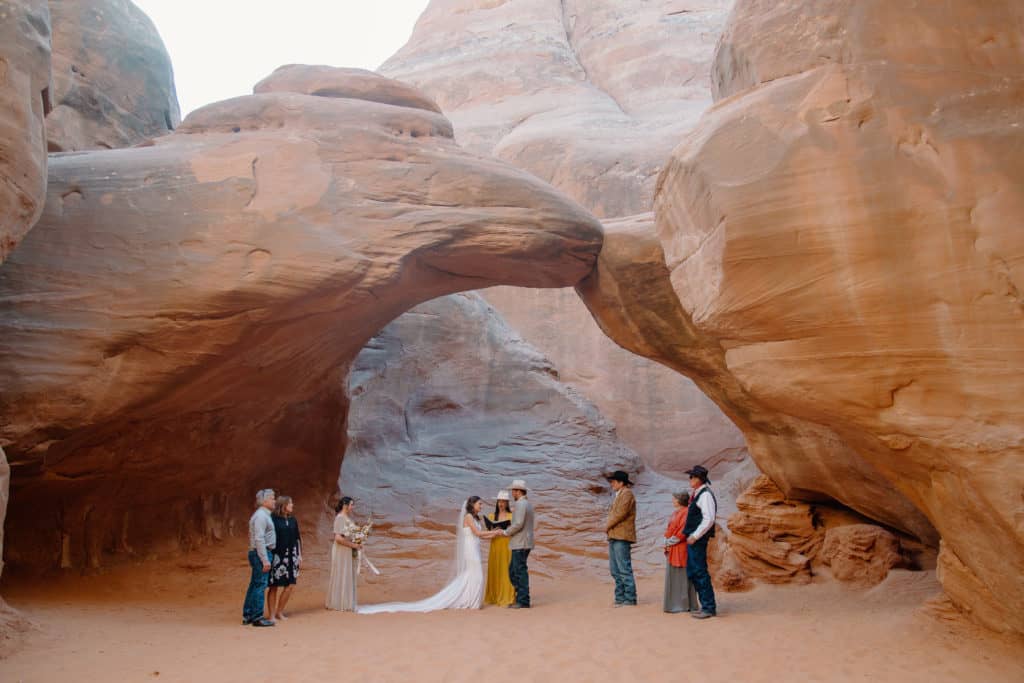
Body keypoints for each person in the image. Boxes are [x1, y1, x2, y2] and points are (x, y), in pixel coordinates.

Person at [358, 496, 502, 613]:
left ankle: (470, 601)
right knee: (476, 574)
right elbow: (477, 533)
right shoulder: (469, 517)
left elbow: (481, 536)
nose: (481, 506)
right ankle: (469, 601)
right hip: (470, 550)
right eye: (479, 504)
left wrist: (495, 535)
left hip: (474, 548)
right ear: (472, 504)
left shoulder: (476, 519)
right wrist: (494, 532)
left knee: (473, 574)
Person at [684, 465, 718, 619]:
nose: (690, 479)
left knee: (699, 571)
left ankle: (709, 607)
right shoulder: (698, 494)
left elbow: (709, 519)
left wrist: (695, 535)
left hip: (697, 540)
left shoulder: (705, 495)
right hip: (693, 539)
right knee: (694, 571)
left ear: (699, 479)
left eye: (692, 477)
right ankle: (705, 605)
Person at [243, 488, 277, 627]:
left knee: (255, 584)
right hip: (260, 553)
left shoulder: (262, 515)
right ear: (264, 501)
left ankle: (249, 614)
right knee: (260, 584)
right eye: (272, 498)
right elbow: (259, 539)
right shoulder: (261, 516)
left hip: (258, 552)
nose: (274, 501)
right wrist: (264, 559)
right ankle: (257, 616)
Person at [605, 470, 638, 607]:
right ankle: (620, 598)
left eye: (613, 482)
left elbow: (620, 514)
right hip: (615, 535)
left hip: (622, 536)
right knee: (615, 569)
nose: (611, 484)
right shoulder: (620, 494)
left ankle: (629, 598)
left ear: (621, 482)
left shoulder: (627, 494)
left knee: (623, 568)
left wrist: (606, 525)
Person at [267, 495, 302, 621]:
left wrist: (299, 555)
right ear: (283, 505)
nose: (292, 505)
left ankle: (279, 612)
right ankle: (271, 615)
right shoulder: (273, 519)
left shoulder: (293, 520)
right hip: (277, 556)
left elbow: (298, 538)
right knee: (274, 585)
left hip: (292, 556)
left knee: (290, 584)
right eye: (290, 503)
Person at [663, 491, 698, 613]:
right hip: (673, 547)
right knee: (674, 576)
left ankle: (682, 605)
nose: (672, 500)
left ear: (679, 500)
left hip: (681, 548)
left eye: (674, 498)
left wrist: (669, 541)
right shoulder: (675, 513)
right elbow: (669, 528)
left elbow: (683, 532)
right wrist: (666, 540)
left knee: (682, 576)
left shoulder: (686, 512)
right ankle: (675, 604)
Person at [326, 497, 362, 611]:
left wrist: (358, 541)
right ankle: (339, 603)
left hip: (347, 548)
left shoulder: (346, 518)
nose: (353, 507)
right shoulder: (340, 518)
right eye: (352, 504)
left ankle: (346, 602)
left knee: (347, 573)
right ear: (345, 505)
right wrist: (353, 545)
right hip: (342, 549)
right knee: (342, 572)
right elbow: (338, 538)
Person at [503, 479, 535, 609]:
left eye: (513, 491)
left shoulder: (521, 504)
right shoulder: (527, 504)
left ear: (518, 491)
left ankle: (523, 600)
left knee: (518, 571)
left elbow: (518, 524)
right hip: (523, 542)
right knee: (514, 570)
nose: (512, 494)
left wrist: (506, 532)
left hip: (520, 542)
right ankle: (521, 597)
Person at [484, 490, 515, 606]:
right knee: (495, 569)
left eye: (503, 502)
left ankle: (507, 596)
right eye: (499, 501)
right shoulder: (492, 516)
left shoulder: (512, 516)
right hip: (495, 546)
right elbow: (487, 534)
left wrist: (504, 531)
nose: (501, 504)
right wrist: (493, 531)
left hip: (507, 545)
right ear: (497, 503)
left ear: (507, 503)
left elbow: (514, 532)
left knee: (506, 570)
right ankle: (494, 596)